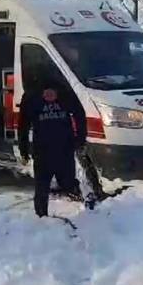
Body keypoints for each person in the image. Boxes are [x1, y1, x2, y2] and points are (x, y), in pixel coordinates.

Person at [18, 78, 88, 217]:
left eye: (52, 93)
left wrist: (80, 139)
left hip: (62, 148)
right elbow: (23, 125)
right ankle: (42, 217)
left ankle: (83, 201)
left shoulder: (65, 94)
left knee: (65, 182)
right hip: (45, 150)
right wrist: (24, 149)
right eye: (46, 94)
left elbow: (80, 114)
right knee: (42, 186)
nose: (49, 96)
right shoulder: (32, 97)